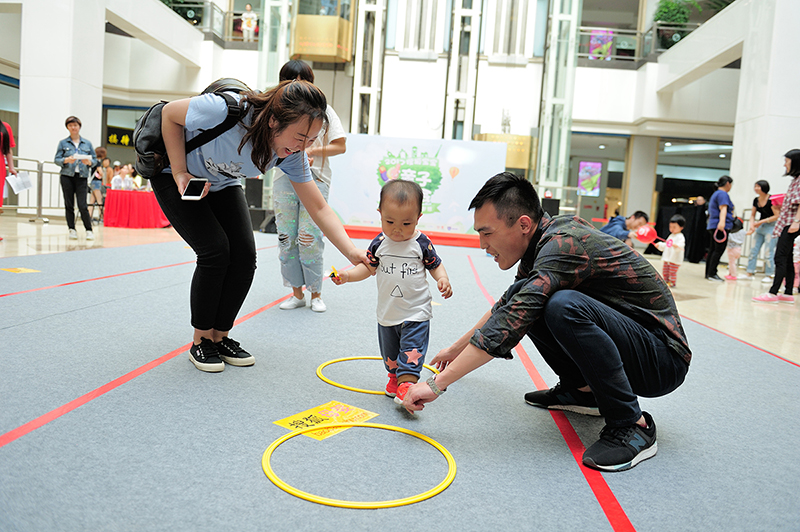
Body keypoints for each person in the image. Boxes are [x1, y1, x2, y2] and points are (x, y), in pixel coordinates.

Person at [401, 172, 691, 472]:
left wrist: (436, 385)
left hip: (663, 358)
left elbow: (513, 319)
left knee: (560, 306)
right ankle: (582, 392)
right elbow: (509, 305)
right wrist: (456, 349)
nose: (482, 244)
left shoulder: (564, 245)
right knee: (531, 297)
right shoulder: (541, 242)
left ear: (524, 224)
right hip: (635, 345)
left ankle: (633, 424)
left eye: (487, 233)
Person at [153, 79, 368, 373]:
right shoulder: (226, 110)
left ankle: (220, 336)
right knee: (215, 251)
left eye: (311, 140)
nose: (302, 147)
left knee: (243, 256)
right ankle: (201, 340)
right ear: (274, 121)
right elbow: (169, 115)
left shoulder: (293, 155)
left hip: (222, 182)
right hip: (173, 173)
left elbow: (318, 207)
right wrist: (179, 170)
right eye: (300, 136)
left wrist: (352, 251)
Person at [331, 179, 453, 403]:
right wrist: (347, 276)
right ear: (380, 214)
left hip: (416, 312)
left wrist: (442, 278)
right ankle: (394, 376)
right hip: (387, 313)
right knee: (391, 354)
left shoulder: (421, 243)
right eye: (389, 221)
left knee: (411, 352)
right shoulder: (379, 243)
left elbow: (435, 264)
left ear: (418, 218)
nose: (397, 229)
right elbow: (368, 269)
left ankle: (408, 384)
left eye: (406, 223)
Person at [275, 60, 347, 313]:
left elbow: (340, 145)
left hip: (315, 178)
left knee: (309, 238)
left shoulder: (324, 109)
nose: (296, 84)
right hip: (284, 178)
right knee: (287, 239)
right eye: (290, 79)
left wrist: (310, 148)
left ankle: (316, 293)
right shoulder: (278, 109)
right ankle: (297, 293)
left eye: (301, 79)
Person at [753, 149, 800, 304]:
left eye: (787, 161)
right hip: (788, 222)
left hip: (791, 222)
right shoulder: (795, 179)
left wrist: (797, 222)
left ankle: (773, 292)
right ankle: (787, 293)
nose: (784, 164)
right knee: (787, 257)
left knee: (779, 256)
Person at [54, 116, 97, 240]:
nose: (73, 128)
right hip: (67, 176)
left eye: (75, 125)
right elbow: (56, 159)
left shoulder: (87, 143)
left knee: (82, 204)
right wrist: (66, 160)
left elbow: (94, 160)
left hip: (82, 176)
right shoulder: (63, 143)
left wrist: (89, 162)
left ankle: (89, 229)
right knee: (69, 204)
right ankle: (71, 229)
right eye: (71, 125)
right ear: (67, 127)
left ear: (79, 127)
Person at [742, 180, 779, 282]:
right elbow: (752, 215)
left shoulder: (771, 199)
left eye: (758, 186)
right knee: (753, 250)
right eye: (755, 186)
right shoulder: (756, 200)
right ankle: (749, 272)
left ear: (764, 187)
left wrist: (761, 221)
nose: (756, 189)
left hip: (771, 226)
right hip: (761, 226)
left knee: (768, 251)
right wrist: (752, 226)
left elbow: (777, 216)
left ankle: (769, 274)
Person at [705, 175, 734, 281]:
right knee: (718, 250)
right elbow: (723, 209)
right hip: (720, 226)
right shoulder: (722, 194)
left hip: (713, 225)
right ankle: (712, 273)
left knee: (713, 249)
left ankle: (709, 272)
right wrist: (722, 223)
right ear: (728, 184)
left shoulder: (716, 193)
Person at [655, 214, 685, 287]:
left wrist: (676, 246)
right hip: (667, 258)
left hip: (674, 259)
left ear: (681, 227)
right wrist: (660, 245)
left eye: (674, 227)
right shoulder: (671, 236)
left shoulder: (680, 237)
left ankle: (672, 282)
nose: (672, 229)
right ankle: (665, 281)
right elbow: (666, 245)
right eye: (670, 227)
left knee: (672, 272)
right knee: (665, 271)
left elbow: (681, 246)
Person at [89, 148, 107, 223]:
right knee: (100, 200)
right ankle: (102, 217)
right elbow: (101, 172)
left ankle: (89, 216)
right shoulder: (97, 162)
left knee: (91, 201)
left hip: (92, 182)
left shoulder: (93, 161)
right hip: (96, 182)